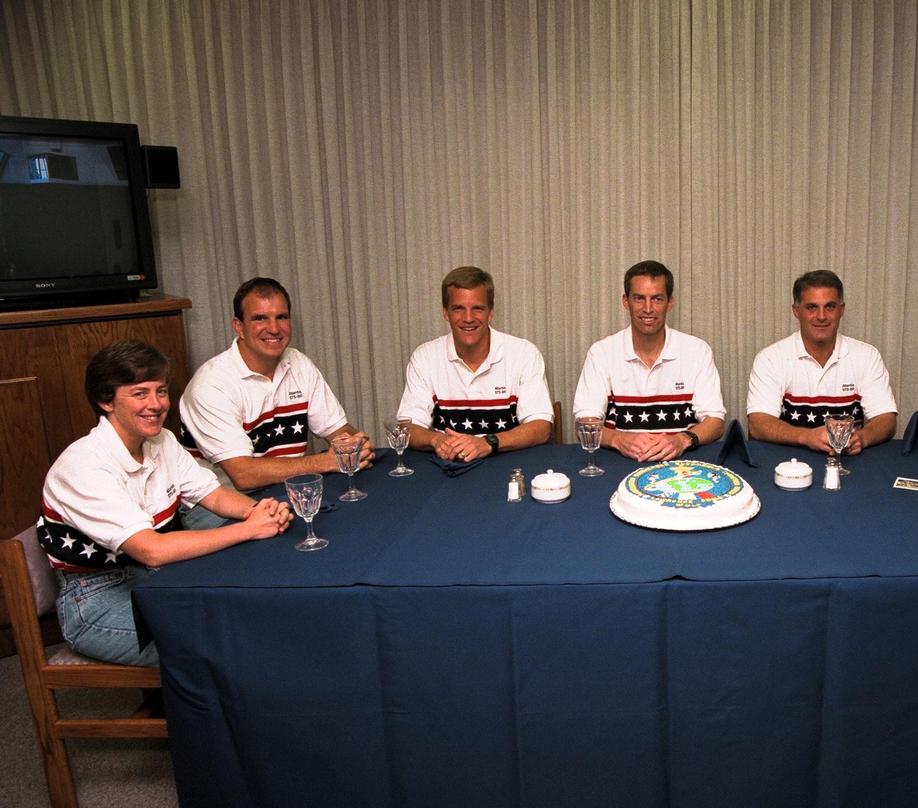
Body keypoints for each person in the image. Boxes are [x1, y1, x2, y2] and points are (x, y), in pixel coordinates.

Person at [38, 340, 293, 666]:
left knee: (249, 615)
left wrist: (256, 511)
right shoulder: (84, 464)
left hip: (155, 577)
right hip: (93, 598)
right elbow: (152, 549)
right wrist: (250, 529)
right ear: (107, 402)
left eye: (161, 391)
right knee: (220, 644)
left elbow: (211, 494)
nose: (156, 404)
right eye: (140, 393)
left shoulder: (162, 441)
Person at [178, 277, 373, 527]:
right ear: (238, 326)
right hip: (218, 506)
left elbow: (338, 432)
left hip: (287, 489)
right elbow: (244, 475)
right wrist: (326, 461)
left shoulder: (298, 363)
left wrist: (355, 445)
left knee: (360, 520)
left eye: (281, 317)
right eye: (260, 318)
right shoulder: (211, 384)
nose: (274, 328)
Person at [573, 260, 725, 461]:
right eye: (638, 298)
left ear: (670, 303)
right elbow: (585, 423)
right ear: (625, 301)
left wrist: (682, 440)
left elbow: (716, 421)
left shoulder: (697, 351)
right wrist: (620, 439)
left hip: (681, 464)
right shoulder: (601, 352)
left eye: (657, 299)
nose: (647, 308)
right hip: (619, 463)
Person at [398, 266, 553, 461]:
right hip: (447, 466)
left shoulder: (523, 353)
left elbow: (541, 427)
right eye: (458, 308)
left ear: (491, 312)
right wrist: (437, 440)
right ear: (446, 312)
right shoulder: (425, 357)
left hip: (510, 466)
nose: (468, 318)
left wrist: (488, 443)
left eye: (477, 308)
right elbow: (407, 427)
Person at [746, 269, 896, 453]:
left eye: (830, 307)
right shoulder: (770, 358)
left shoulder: (866, 355)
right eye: (812, 307)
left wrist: (863, 438)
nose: (822, 316)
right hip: (788, 463)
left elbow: (886, 418)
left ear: (841, 310)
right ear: (796, 311)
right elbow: (758, 423)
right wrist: (807, 437)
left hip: (848, 460)